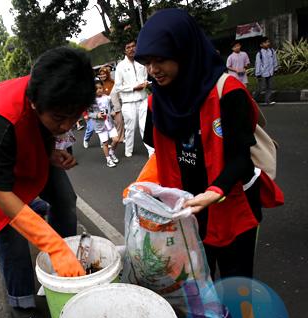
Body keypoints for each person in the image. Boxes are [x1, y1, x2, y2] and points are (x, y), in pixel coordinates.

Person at [0, 47, 94, 318]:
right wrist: (52, 245)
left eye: (74, 117)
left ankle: (62, 270)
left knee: (65, 199)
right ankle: (21, 303)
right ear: (35, 103)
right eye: (60, 118)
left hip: (21, 134)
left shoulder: (52, 97)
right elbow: (3, 194)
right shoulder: (5, 120)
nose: (67, 126)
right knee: (10, 225)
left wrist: (51, 154)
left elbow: (41, 131)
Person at [133, 9, 283, 279]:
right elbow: (155, 148)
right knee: (198, 289)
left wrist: (215, 192)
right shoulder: (159, 100)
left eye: (160, 60)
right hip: (187, 211)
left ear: (184, 52)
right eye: (146, 62)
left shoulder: (227, 91)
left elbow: (240, 158)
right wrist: (145, 189)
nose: (153, 70)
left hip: (231, 204)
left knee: (236, 287)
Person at [114, 39, 154, 158]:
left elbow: (145, 79)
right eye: (128, 47)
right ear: (124, 51)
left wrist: (146, 83)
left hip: (143, 99)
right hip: (128, 102)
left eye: (133, 46)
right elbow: (118, 87)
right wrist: (133, 88)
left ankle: (151, 151)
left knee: (145, 126)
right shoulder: (120, 66)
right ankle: (128, 149)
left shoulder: (141, 63)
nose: (131, 49)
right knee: (130, 128)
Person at [89, 82, 119, 167]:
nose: (99, 90)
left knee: (116, 139)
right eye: (96, 89)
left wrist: (113, 112)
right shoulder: (91, 101)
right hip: (100, 125)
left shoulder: (107, 98)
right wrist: (96, 115)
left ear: (103, 88)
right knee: (105, 143)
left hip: (109, 122)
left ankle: (111, 152)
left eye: (100, 88)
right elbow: (89, 113)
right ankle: (108, 159)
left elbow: (112, 107)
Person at [254, 36, 278, 105]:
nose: (267, 43)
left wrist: (275, 68)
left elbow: (274, 60)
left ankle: (268, 100)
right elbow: (258, 64)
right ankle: (253, 100)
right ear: (261, 45)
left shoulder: (272, 51)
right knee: (260, 88)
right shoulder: (259, 53)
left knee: (269, 87)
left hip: (270, 72)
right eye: (265, 43)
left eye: (268, 42)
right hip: (262, 74)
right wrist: (258, 74)